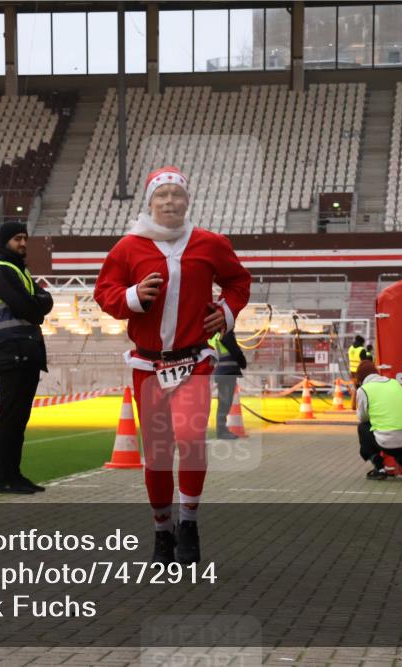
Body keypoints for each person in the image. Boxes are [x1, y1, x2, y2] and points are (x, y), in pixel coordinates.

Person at [94, 166, 251, 565]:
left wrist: (227, 313)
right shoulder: (128, 248)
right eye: (161, 196)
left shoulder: (209, 243)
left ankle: (189, 522)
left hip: (194, 360)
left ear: (187, 201)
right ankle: (162, 532)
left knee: (190, 437)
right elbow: (105, 293)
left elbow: (239, 281)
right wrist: (132, 296)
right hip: (148, 366)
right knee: (158, 454)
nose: (169, 202)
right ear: (150, 203)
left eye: (175, 195)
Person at [0, 221, 54, 495]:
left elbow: (45, 301)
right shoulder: (0, 271)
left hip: (25, 352)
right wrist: (38, 304)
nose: (23, 243)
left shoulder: (17, 270)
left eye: (25, 238)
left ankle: (15, 475)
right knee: (10, 419)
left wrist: (38, 303)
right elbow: (33, 309)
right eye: (17, 238)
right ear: (4, 240)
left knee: (18, 420)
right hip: (12, 352)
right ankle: (5, 479)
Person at [355, 360, 402, 482]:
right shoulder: (395, 383)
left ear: (360, 378)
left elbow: (362, 418)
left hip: (390, 443)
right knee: (396, 434)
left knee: (363, 427)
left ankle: (380, 468)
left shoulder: (363, 390)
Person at [209, 329, 248, 439]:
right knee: (225, 403)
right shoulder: (225, 332)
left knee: (223, 403)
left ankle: (222, 430)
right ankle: (222, 431)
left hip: (221, 371)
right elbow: (234, 349)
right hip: (227, 371)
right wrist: (242, 362)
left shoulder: (214, 333)